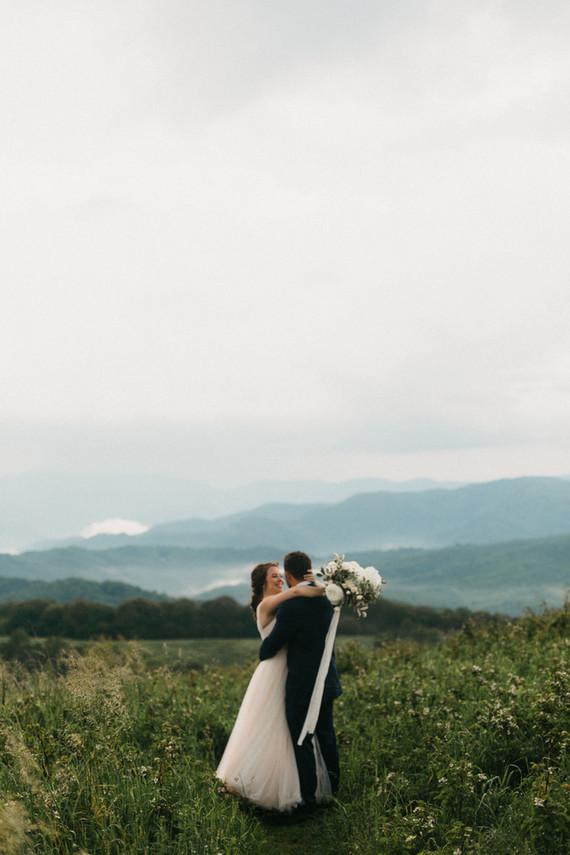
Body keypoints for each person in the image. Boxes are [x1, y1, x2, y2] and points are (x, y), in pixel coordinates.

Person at [216, 561, 330, 812]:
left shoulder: (286, 604)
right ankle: (264, 787)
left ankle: (294, 787)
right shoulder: (266, 605)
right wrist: (327, 588)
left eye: (281, 576)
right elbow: (299, 591)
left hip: (291, 670)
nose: (279, 580)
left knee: (288, 731)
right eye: (274, 577)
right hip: (273, 672)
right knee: (270, 728)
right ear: (261, 584)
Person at [259, 551, 342, 813]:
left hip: (302, 685)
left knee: (301, 739)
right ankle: (333, 794)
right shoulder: (329, 599)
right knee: (327, 736)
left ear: (288, 574)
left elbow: (271, 646)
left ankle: (308, 801)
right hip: (327, 678)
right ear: (310, 571)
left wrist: (263, 650)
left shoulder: (291, 606)